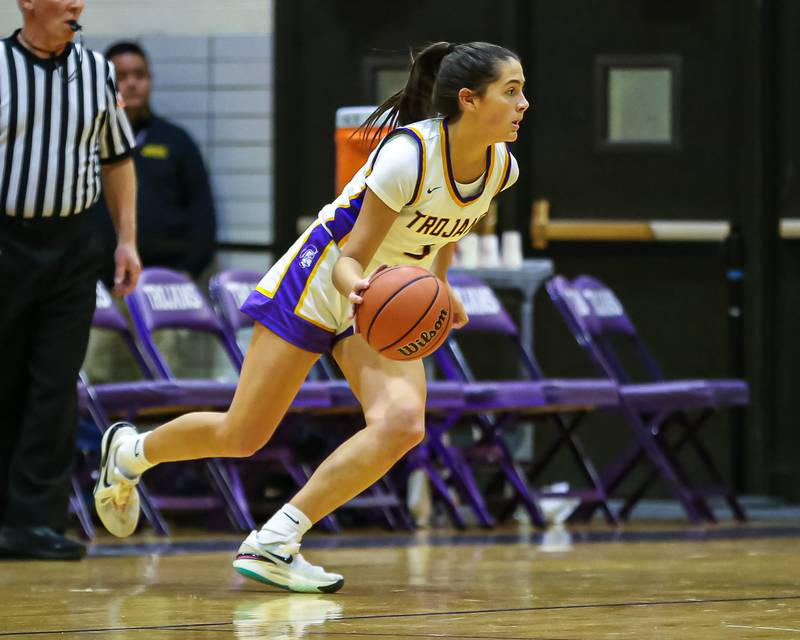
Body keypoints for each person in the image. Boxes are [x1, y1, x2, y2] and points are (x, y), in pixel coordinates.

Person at [94, 41, 527, 591]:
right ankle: (132, 452)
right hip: (323, 278)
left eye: (522, 90)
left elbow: (443, 234)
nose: (523, 104)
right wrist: (363, 291)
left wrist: (441, 288)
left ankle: (276, 540)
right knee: (242, 433)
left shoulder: (500, 169)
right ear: (469, 99)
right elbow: (350, 257)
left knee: (401, 423)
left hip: (381, 294)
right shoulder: (407, 157)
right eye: (511, 92)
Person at [0, 0, 140, 560]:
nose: (76, 4)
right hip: (5, 241)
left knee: (55, 384)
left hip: (74, 246)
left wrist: (127, 239)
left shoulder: (99, 71)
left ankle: (36, 521)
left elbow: (118, 159)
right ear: (28, 3)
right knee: (6, 377)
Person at [92, 41, 216, 282]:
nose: (132, 83)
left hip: (165, 280)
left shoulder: (176, 140)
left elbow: (202, 211)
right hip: (98, 283)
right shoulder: (87, 140)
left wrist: (190, 269)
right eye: (122, 76)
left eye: (140, 75)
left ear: (150, 80)